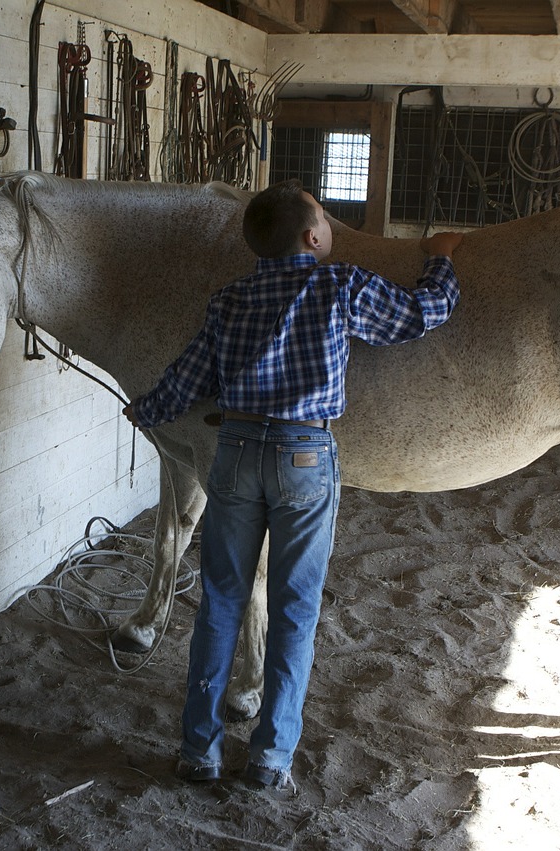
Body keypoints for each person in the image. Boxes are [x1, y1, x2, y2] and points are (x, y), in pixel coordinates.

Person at [123, 179, 463, 795]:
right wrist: (440, 257)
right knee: (294, 610)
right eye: (328, 220)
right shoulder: (340, 284)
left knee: (221, 600)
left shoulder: (228, 302)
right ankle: (270, 757)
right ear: (314, 237)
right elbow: (419, 315)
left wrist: (146, 408)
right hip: (305, 455)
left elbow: (188, 376)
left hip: (235, 454)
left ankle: (197, 750)